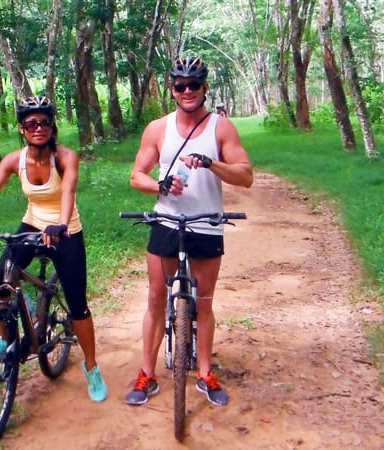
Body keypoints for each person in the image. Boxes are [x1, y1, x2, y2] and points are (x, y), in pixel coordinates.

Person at [0, 95, 107, 403]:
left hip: (66, 232)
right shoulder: (14, 160)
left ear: (52, 126)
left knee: (78, 306)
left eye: (45, 122)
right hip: (32, 224)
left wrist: (61, 225)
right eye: (31, 123)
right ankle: (4, 338)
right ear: (22, 128)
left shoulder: (64, 157)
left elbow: (69, 192)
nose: (39, 128)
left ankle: (92, 367)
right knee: (0, 283)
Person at [125, 56, 253, 406]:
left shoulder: (221, 128)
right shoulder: (157, 129)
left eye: (193, 84)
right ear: (172, 89)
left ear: (204, 88)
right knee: (155, 299)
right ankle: (147, 374)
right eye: (180, 85)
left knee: (205, 303)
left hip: (207, 225)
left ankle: (205, 372)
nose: (187, 91)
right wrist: (160, 186)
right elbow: (136, 175)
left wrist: (212, 163)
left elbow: (246, 175)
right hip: (166, 223)